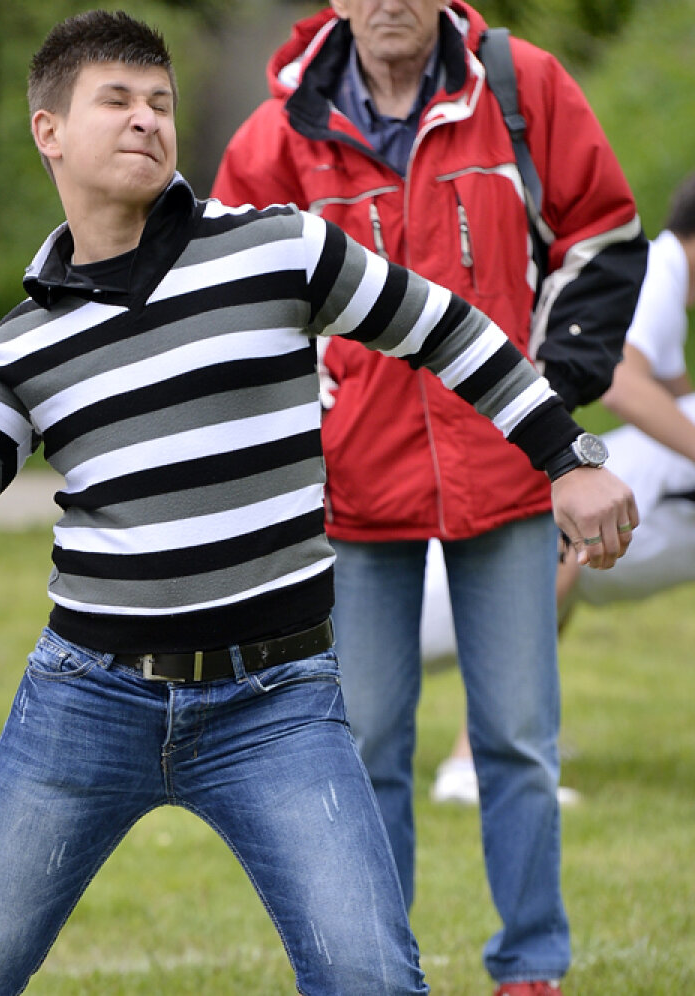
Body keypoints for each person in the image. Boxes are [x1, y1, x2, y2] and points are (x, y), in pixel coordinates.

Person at [0, 10, 636, 994]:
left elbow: (446, 330)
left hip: (277, 704)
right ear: (49, 131)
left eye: (161, 102)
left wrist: (568, 455)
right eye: (116, 100)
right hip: (89, 697)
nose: (146, 119)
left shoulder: (276, 249)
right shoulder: (24, 344)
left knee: (374, 981)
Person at [211, 3, 649, 993]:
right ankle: (378, 969)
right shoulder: (277, 132)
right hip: (355, 488)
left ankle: (531, 966)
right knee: (365, 744)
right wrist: (296, 399)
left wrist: (554, 384)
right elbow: (227, 287)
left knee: (519, 740)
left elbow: (606, 231)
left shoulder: (522, 87)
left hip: (506, 472)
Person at [426, 169, 695, 805]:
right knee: (560, 563)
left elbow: (669, 388)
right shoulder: (659, 271)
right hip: (524, 463)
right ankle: (474, 758)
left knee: (563, 580)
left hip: (527, 459)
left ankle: (522, 729)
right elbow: (623, 381)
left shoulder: (665, 283)